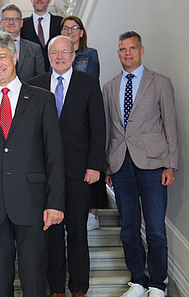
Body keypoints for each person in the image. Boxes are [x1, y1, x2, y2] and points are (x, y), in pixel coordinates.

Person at [0, 31, 65, 297]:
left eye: (2, 56)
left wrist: (55, 202)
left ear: (15, 57)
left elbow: (54, 155)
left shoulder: (42, 99)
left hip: (33, 204)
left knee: (33, 282)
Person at [103, 31, 178, 297]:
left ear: (141, 50)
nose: (127, 53)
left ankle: (158, 283)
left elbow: (170, 124)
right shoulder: (110, 86)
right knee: (128, 228)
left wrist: (171, 164)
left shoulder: (160, 82)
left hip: (155, 164)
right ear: (119, 52)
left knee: (156, 228)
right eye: (122, 49)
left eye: (132, 48)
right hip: (121, 164)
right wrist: (108, 166)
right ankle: (138, 280)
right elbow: (109, 130)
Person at [29, 35, 106, 297]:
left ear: (74, 55)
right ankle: (56, 288)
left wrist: (95, 165)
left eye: (65, 52)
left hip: (78, 172)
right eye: (54, 52)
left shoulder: (89, 83)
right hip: (45, 174)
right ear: (48, 56)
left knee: (76, 232)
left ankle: (79, 287)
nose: (59, 57)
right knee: (50, 232)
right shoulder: (36, 85)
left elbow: (98, 128)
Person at [60, 15, 104, 231]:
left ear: (81, 31)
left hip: (82, 124)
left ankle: (92, 212)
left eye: (73, 28)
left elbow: (91, 86)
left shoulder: (90, 55)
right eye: (65, 28)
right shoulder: (56, 62)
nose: (69, 31)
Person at [21, 0, 62, 70]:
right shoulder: (22, 25)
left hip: (56, 73)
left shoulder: (60, 23)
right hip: (31, 78)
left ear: (50, 0)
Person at [0, 3, 45, 82]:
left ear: (21, 23)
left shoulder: (35, 49)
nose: (11, 22)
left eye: (15, 19)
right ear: (1, 24)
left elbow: (40, 78)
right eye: (7, 19)